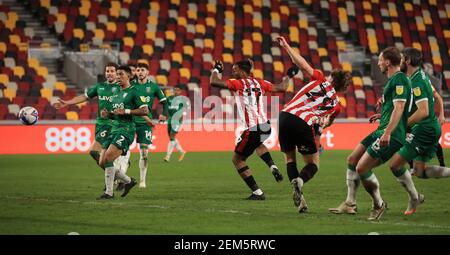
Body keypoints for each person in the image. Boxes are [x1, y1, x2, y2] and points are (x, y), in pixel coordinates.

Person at [329, 46, 416, 220]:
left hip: (390, 134)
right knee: (352, 160)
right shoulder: (393, 80)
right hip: (381, 129)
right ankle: (350, 203)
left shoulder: (399, 80)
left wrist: (387, 132)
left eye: (380, 60)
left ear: (388, 62)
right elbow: (395, 106)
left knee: (362, 167)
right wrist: (382, 115)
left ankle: (378, 204)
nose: (378, 63)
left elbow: (400, 107)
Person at [275, 36, 351, 213]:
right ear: (342, 87)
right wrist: (321, 127)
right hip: (303, 123)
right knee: (313, 163)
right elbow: (326, 123)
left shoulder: (319, 79)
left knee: (289, 159)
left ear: (331, 77)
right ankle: (300, 181)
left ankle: (301, 201)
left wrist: (286, 45)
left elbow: (302, 64)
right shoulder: (336, 105)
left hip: (285, 116)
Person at [210, 58, 291, 200]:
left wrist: (217, 70)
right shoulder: (261, 82)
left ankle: (257, 193)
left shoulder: (238, 83)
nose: (233, 72)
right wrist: (289, 76)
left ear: (242, 71)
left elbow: (214, 82)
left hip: (253, 128)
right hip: (266, 126)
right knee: (258, 144)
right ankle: (273, 166)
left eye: (235, 70)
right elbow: (282, 87)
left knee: (237, 160)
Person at [53, 63, 130, 178]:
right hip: (100, 124)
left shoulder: (121, 88)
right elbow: (84, 97)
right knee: (101, 157)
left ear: (117, 73)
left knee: (95, 152)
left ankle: (119, 178)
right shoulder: (99, 87)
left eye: (112, 71)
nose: (109, 73)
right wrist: (67, 103)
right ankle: (120, 176)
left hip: (113, 124)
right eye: (107, 71)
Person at [392, 48, 449, 183]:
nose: (399, 62)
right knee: (419, 171)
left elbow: (424, 111)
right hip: (430, 127)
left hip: (425, 129)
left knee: (395, 165)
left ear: (408, 61)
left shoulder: (417, 81)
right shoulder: (420, 76)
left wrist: (403, 125)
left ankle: (414, 199)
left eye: (401, 59)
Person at [98, 65, 149, 199]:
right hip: (114, 128)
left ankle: (109, 193)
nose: (118, 77)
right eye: (117, 74)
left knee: (108, 157)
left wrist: (126, 111)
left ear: (129, 76)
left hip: (126, 130)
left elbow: (145, 110)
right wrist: (108, 115)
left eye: (121, 74)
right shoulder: (116, 93)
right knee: (102, 162)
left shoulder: (135, 91)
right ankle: (128, 181)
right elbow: (117, 114)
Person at [131, 62, 168, 188]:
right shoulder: (130, 85)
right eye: (138, 70)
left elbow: (165, 102)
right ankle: (120, 176)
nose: (140, 72)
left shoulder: (153, 87)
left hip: (145, 125)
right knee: (122, 152)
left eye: (142, 70)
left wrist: (164, 114)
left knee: (144, 153)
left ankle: (142, 180)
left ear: (147, 72)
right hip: (130, 121)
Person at [164, 85, 190, 162]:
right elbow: (166, 108)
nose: (176, 91)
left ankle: (168, 156)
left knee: (172, 135)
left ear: (180, 91)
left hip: (177, 120)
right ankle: (182, 151)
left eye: (178, 90)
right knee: (172, 138)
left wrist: (182, 117)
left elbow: (186, 109)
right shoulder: (169, 98)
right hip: (169, 120)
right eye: (175, 90)